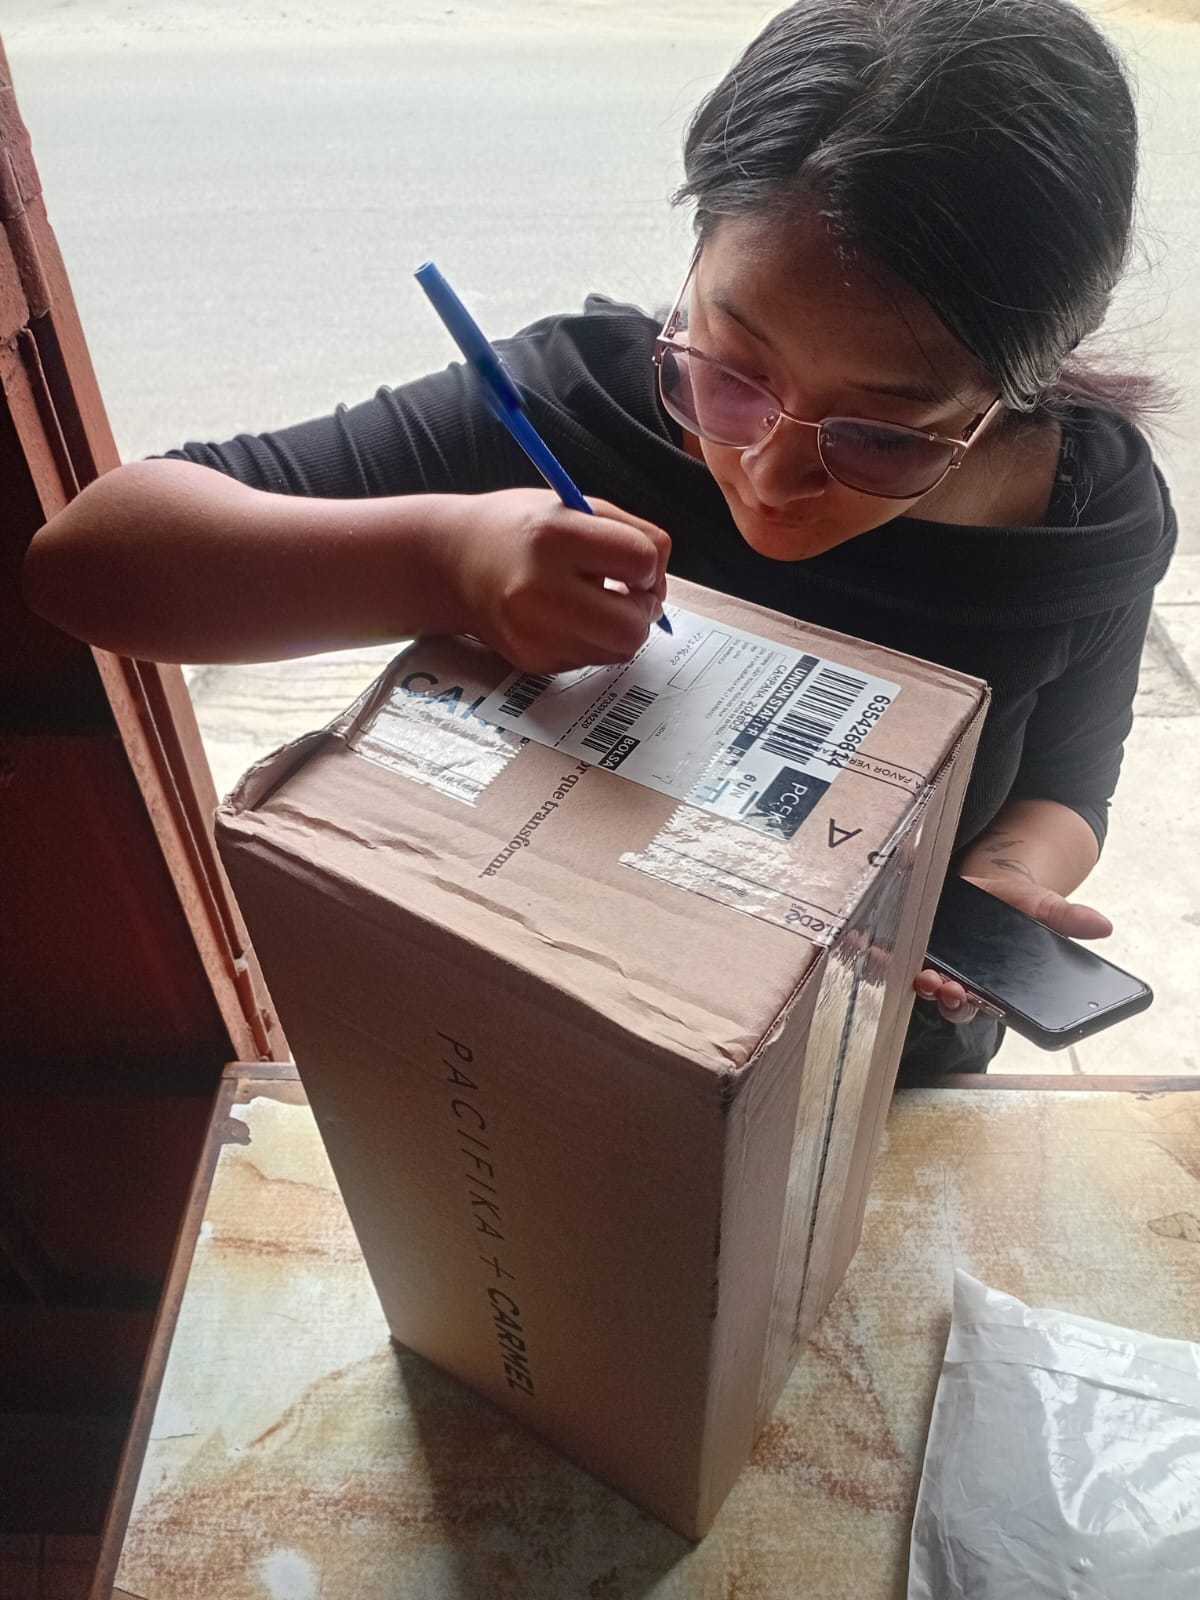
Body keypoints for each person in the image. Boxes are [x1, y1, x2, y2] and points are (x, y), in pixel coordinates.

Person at [23, 0, 1176, 1076]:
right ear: (698, 254)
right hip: (571, 1052)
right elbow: (90, 559)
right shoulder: (570, 413)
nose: (769, 472)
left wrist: (999, 890)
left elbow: (1068, 784)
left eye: (879, 435)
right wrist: (442, 559)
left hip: (873, 1066)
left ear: (1012, 391)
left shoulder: (1081, 516)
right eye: (732, 369)